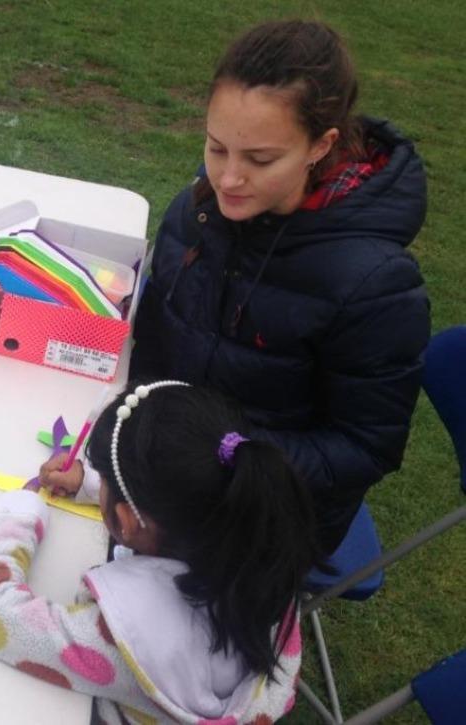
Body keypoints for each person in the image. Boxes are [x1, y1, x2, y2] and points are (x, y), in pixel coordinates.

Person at [129, 19, 430, 553]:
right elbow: (153, 337)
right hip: (169, 465)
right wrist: (125, 418)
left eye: (260, 160)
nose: (227, 180)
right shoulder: (196, 211)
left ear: (321, 145)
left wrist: (222, 454)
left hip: (271, 513)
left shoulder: (373, 284)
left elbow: (365, 447)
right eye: (216, 147)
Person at [0, 382, 320, 724]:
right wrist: (91, 485)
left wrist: (18, 515)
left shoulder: (124, 639)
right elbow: (176, 499)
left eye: (105, 481)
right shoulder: (258, 556)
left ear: (126, 520)